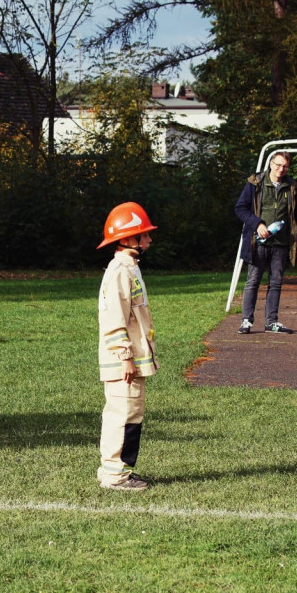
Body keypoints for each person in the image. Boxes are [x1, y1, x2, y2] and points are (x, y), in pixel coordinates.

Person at [96, 202, 159, 491]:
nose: (148, 240)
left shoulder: (130, 268)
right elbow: (114, 316)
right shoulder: (120, 270)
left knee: (130, 414)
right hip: (124, 361)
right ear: (127, 239)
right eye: (143, 234)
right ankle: (114, 476)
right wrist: (124, 356)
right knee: (122, 416)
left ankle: (117, 471)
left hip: (131, 358)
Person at [235, 152, 297, 334]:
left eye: (285, 166)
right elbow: (240, 208)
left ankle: (271, 322)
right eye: (278, 165)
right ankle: (246, 321)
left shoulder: (291, 186)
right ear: (270, 164)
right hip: (257, 242)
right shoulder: (255, 183)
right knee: (253, 281)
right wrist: (257, 223)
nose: (281, 169)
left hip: (281, 244)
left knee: (276, 282)